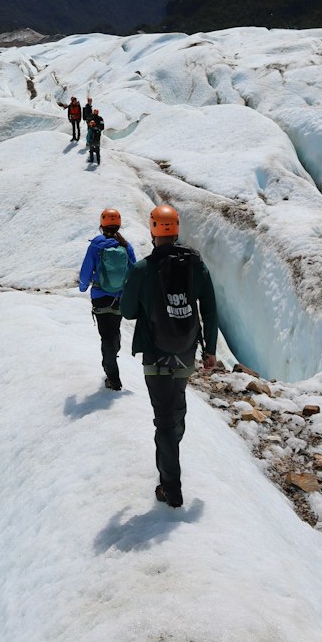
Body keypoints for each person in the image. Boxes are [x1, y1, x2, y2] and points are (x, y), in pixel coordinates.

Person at [118, 204, 218, 509]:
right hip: (186, 353)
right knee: (175, 411)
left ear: (152, 230)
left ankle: (171, 487)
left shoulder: (142, 270)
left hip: (155, 356)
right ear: (176, 229)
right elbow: (210, 309)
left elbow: (127, 311)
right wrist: (210, 350)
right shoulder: (195, 265)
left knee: (163, 419)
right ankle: (169, 458)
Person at [78, 207, 136, 390]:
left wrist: (82, 286)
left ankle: (113, 376)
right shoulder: (126, 246)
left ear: (102, 225)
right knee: (114, 331)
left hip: (100, 297)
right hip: (119, 297)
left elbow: (87, 269)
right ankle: (114, 352)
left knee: (106, 337)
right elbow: (134, 270)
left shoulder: (96, 246)